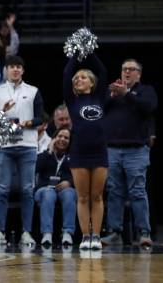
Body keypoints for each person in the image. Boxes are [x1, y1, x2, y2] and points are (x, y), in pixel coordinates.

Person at [0, 55, 44, 246]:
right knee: (2, 190)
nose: (15, 69)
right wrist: (2, 112)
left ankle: (26, 232)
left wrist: (28, 123)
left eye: (19, 66)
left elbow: (40, 118)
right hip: (5, 146)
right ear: (6, 70)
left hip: (27, 145)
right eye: (12, 66)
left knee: (27, 190)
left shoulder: (33, 91)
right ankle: (0, 232)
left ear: (23, 70)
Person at [101, 59, 158, 247]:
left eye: (131, 70)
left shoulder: (145, 91)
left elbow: (149, 107)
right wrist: (113, 95)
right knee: (114, 192)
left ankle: (143, 232)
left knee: (137, 192)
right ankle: (115, 232)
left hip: (136, 150)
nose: (126, 72)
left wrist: (127, 94)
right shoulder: (113, 92)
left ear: (138, 74)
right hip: (112, 149)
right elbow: (99, 110)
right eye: (124, 69)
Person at [63, 51, 108, 250]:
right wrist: (75, 54)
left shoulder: (100, 96)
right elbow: (66, 74)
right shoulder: (72, 101)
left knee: (97, 196)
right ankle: (85, 236)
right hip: (79, 152)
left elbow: (102, 70)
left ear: (92, 82)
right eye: (76, 78)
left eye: (83, 77)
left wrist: (89, 52)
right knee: (82, 196)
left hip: (100, 152)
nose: (78, 80)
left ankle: (96, 236)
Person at [34, 126, 76, 246]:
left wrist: (69, 182)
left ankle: (67, 233)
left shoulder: (72, 157)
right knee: (48, 193)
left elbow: (79, 176)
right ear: (54, 138)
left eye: (66, 138)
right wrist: (49, 151)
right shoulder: (46, 154)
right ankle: (47, 234)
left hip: (64, 190)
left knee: (69, 193)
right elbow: (35, 168)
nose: (62, 139)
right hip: (44, 189)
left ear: (70, 142)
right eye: (59, 136)